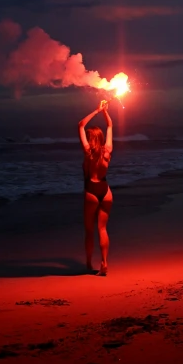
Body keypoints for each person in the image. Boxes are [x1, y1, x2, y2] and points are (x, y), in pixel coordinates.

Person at [78, 99, 114, 276]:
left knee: (89, 230)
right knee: (102, 229)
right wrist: (105, 112)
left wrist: (97, 110)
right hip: (106, 191)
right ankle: (104, 263)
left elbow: (80, 124)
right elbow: (110, 125)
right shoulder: (107, 150)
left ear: (90, 138)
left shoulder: (87, 152)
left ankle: (88, 262)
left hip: (91, 191)